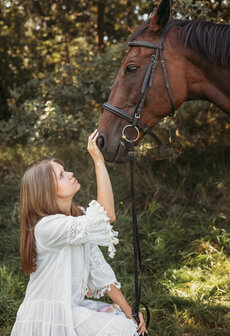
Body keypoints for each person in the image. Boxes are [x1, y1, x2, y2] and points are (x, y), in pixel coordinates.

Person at [11, 129, 147, 336]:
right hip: (48, 318)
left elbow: (100, 271)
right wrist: (99, 162)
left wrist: (131, 313)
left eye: (66, 171)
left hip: (70, 310)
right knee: (121, 330)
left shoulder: (78, 218)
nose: (71, 174)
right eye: (62, 175)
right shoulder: (47, 227)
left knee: (124, 321)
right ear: (47, 191)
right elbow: (107, 215)